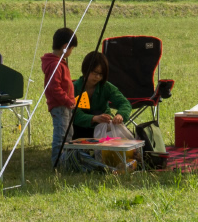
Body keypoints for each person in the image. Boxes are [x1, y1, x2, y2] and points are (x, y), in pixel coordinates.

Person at [40, 28, 112, 173]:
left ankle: (68, 160)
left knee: (68, 133)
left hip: (64, 106)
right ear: (65, 47)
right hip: (61, 106)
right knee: (61, 135)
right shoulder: (55, 65)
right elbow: (54, 88)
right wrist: (68, 101)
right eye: (71, 48)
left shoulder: (59, 63)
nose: (71, 51)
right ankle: (57, 163)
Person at [71, 51, 132, 140]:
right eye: (95, 73)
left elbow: (124, 103)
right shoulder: (74, 88)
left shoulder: (106, 87)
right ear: (86, 69)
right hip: (79, 130)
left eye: (101, 74)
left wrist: (120, 115)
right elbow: (74, 115)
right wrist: (94, 118)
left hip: (103, 129)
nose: (98, 77)